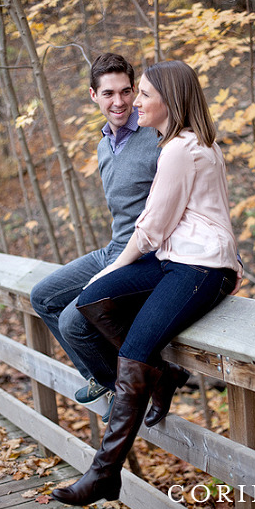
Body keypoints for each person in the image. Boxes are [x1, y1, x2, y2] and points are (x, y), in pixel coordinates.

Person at [51, 60, 243, 507]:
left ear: (168, 101)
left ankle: (103, 474)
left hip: (199, 269)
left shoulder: (180, 148)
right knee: (92, 301)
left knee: (134, 349)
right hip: (179, 258)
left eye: (144, 95)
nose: (136, 103)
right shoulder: (187, 142)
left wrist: (113, 266)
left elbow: (152, 225)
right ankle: (166, 374)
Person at [30, 53, 160, 416]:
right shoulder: (104, 144)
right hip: (113, 249)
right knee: (43, 297)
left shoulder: (157, 137)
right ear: (93, 96)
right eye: (108, 94)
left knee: (75, 319)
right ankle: (103, 378)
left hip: (145, 256)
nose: (118, 102)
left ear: (135, 91)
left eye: (125, 92)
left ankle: (127, 392)